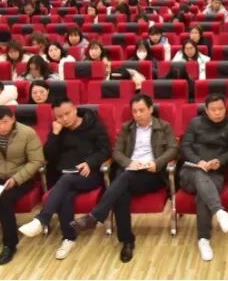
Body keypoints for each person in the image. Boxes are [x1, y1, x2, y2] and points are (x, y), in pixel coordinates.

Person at [71, 93, 179, 262]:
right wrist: (129, 163)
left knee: (123, 180)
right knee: (121, 193)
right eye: (134, 111)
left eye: (141, 110)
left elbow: (173, 149)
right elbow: (116, 152)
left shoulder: (164, 127)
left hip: (153, 174)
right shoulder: (126, 128)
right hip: (131, 171)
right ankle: (127, 241)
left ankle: (95, 216)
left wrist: (157, 163)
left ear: (150, 109)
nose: (138, 114)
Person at [19, 98, 110, 260]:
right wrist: (55, 134)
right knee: (66, 195)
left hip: (89, 174)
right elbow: (49, 156)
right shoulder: (58, 128)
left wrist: (90, 162)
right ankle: (69, 238)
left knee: (66, 182)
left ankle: (42, 218)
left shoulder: (93, 124)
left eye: (67, 113)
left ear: (75, 109)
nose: (64, 119)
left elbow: (105, 150)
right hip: (65, 175)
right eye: (60, 116)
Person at [0, 106, 46, 265]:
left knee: (4, 201)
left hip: (22, 178)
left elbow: (36, 161)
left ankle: (10, 244)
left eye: (5, 122)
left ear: (13, 119)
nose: (2, 127)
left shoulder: (27, 133)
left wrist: (16, 179)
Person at [179, 94, 228, 261]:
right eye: (213, 109)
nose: (217, 113)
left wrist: (220, 161)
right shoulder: (195, 123)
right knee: (200, 174)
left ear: (225, 108)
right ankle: (219, 211)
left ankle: (204, 240)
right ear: (206, 110)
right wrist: (198, 161)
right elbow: (185, 146)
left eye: (221, 109)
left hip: (215, 174)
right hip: (190, 172)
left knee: (203, 194)